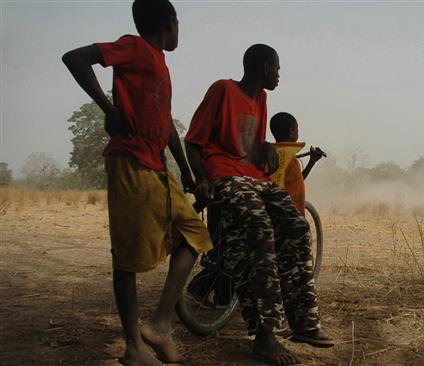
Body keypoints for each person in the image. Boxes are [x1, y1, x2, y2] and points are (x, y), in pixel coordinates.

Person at [62, 1, 211, 365]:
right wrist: (108, 109)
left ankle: (160, 323)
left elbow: (168, 126)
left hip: (156, 167)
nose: (180, 32)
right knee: (127, 258)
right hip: (129, 162)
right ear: (169, 22)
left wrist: (188, 175)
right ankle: (133, 345)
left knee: (195, 235)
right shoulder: (134, 46)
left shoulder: (160, 62)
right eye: (179, 24)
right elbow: (74, 58)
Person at [185, 44, 334, 366]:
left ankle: (304, 324)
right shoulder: (222, 90)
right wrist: (201, 180)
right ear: (265, 67)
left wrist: (265, 145)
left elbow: (250, 146)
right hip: (224, 174)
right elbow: (192, 141)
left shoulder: (262, 99)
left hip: (253, 176)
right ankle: (264, 335)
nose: (279, 75)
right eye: (277, 68)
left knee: (296, 225)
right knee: (259, 229)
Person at [269, 111, 326, 215]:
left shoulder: (272, 155)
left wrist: (311, 162)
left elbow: (296, 182)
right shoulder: (291, 160)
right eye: (297, 130)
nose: (298, 133)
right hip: (292, 217)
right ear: (292, 132)